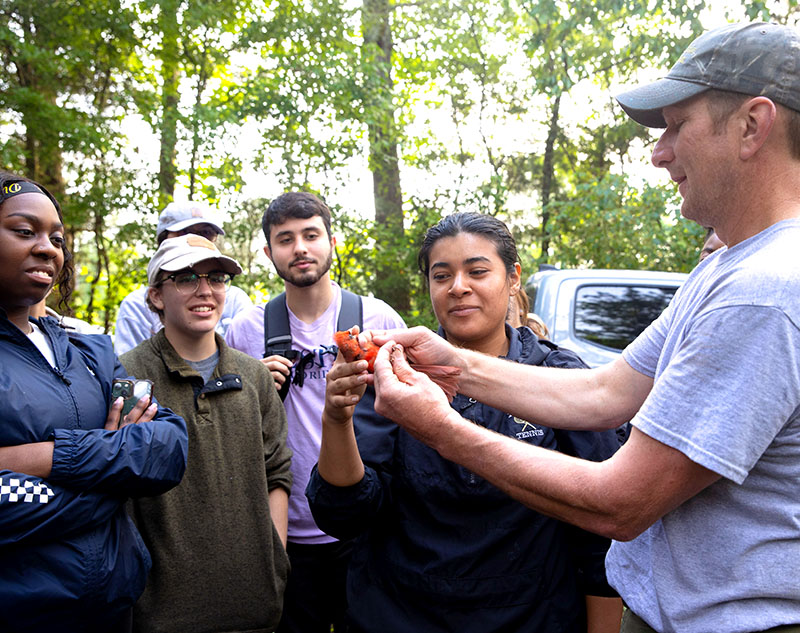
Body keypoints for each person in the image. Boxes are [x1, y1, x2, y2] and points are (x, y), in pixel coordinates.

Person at [365, 23, 800, 633]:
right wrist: (452, 365)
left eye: (677, 126)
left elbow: (624, 502)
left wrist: (443, 429)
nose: (659, 151)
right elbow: (605, 392)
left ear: (754, 125)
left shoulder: (765, 291)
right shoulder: (731, 266)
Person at [306, 212, 622, 633]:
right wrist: (337, 418)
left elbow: (601, 539)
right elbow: (344, 515)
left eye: (477, 271)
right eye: (442, 276)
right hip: (400, 613)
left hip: (532, 616)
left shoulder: (562, 377)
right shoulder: (393, 373)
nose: (458, 287)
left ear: (513, 278)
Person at [0, 171, 188, 632]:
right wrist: (113, 477)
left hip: (113, 609)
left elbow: (165, 445)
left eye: (57, 238)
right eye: (25, 232)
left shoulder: (92, 351)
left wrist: (48, 456)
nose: (48, 248)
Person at [225, 191, 405, 633]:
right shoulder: (245, 330)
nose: (300, 248)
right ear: (269, 253)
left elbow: (408, 419)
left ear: (332, 242)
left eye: (311, 235)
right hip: (284, 534)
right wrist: (252, 393)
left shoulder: (376, 318)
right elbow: (226, 429)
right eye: (285, 239)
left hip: (365, 529)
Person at [120, 234, 292, 633]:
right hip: (161, 614)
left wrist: (275, 562)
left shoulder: (254, 377)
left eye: (215, 278)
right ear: (157, 296)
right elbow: (120, 490)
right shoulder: (127, 377)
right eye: (185, 278)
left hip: (256, 609)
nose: (205, 291)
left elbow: (277, 472)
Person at [114, 201, 252, 354]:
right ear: (162, 241)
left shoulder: (235, 300)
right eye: (184, 232)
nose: (194, 240)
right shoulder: (136, 307)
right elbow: (128, 372)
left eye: (206, 233)